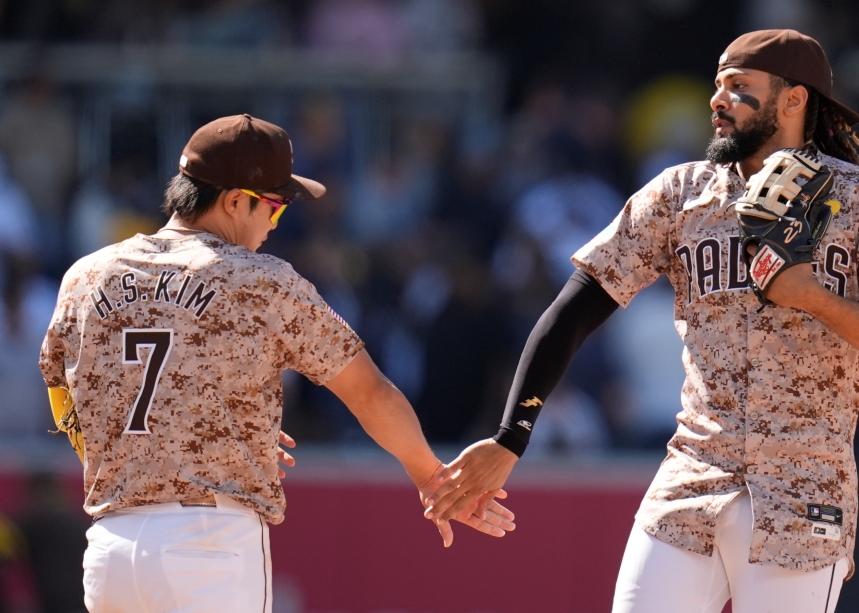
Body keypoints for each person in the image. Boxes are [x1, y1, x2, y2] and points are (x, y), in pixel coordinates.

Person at [425, 30, 859, 613]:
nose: (718, 100)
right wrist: (509, 437)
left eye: (740, 87)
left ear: (794, 100)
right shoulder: (682, 194)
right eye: (718, 86)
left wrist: (814, 297)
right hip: (691, 475)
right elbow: (574, 308)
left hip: (802, 490)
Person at [39, 114, 514, 613]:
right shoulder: (260, 280)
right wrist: (430, 476)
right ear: (234, 200)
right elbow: (368, 391)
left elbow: (63, 397)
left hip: (111, 548)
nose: (273, 222)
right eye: (276, 206)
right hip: (209, 547)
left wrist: (181, 443)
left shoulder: (87, 275)